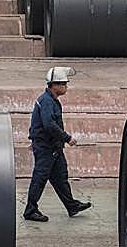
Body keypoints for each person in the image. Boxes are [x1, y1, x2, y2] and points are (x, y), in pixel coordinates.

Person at [24, 66, 91, 223]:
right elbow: (48, 125)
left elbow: (37, 123)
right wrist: (67, 138)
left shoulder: (50, 100)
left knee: (60, 178)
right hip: (46, 148)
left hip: (53, 147)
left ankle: (71, 205)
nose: (66, 87)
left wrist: (34, 137)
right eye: (64, 84)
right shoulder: (47, 101)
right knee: (39, 179)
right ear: (55, 85)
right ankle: (30, 210)